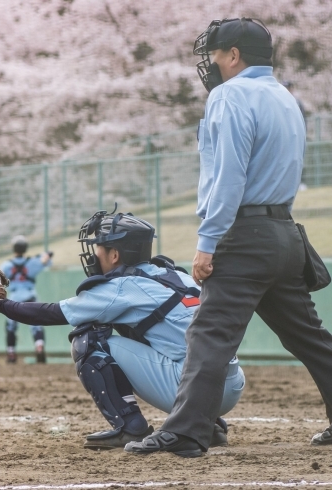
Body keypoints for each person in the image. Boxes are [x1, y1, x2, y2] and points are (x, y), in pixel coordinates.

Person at [125, 18, 332, 458]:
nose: (213, 64)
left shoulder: (229, 95)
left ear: (234, 55)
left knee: (210, 336)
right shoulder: (285, 98)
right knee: (310, 339)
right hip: (285, 235)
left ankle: (185, 433)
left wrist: (207, 241)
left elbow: (229, 177)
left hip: (243, 236)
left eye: (216, 54)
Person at [0, 209, 245, 450]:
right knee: (139, 329)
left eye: (100, 248)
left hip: (191, 387)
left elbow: (53, 313)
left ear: (115, 254)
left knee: (89, 338)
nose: (94, 254)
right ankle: (207, 426)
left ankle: (130, 427)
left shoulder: (123, 286)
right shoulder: (177, 275)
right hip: (229, 383)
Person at [0, 236, 52, 363]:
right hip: (30, 296)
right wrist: (47, 255)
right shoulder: (32, 262)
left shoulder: (6, 265)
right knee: (36, 325)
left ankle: (11, 353)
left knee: (11, 326)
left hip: (14, 299)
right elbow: (46, 262)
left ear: (13, 248)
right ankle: (39, 347)